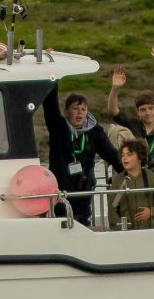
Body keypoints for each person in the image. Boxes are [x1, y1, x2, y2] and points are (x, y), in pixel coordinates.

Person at [106, 60, 154, 223]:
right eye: (143, 109)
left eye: (150, 108)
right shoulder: (133, 126)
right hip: (136, 177)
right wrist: (115, 89)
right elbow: (113, 111)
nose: (147, 112)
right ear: (138, 112)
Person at [40, 88, 122, 225]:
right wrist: (52, 81)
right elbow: (50, 107)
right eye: (75, 108)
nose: (80, 113)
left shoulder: (95, 131)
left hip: (84, 187)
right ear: (66, 112)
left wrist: (133, 172)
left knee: (83, 222)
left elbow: (112, 155)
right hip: (61, 190)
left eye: (83, 109)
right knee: (62, 223)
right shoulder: (58, 127)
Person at [106, 138, 154, 230]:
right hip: (126, 234)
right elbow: (113, 208)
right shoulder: (118, 180)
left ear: (140, 157)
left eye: (129, 154)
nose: (124, 158)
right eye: (122, 155)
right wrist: (118, 229)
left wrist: (151, 211)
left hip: (149, 233)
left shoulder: (151, 177)